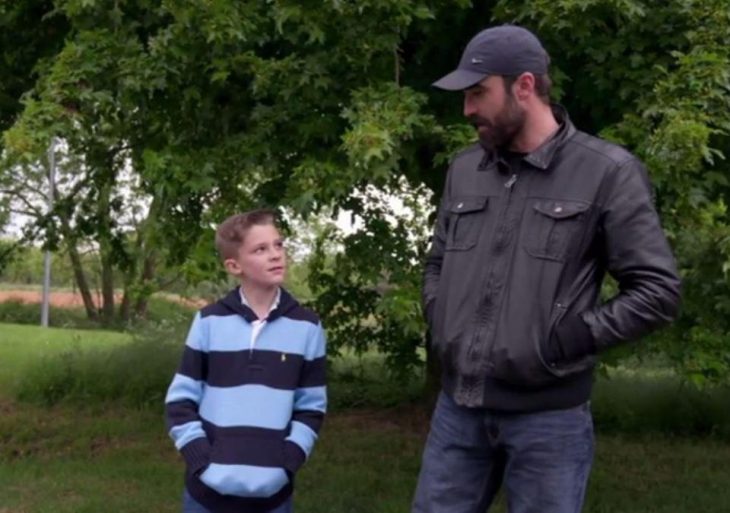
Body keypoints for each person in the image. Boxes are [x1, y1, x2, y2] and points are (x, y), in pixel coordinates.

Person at [413, 24, 681, 513]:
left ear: (525, 86)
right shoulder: (464, 169)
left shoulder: (608, 172)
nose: (467, 109)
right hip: (457, 412)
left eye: (478, 93)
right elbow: (438, 262)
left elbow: (657, 291)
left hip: (549, 421)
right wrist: (440, 316)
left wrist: (564, 341)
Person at [165, 209, 327, 513]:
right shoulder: (209, 322)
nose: (275, 255)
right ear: (234, 265)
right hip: (206, 497)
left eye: (278, 245)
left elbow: (311, 407)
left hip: (273, 499)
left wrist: (288, 463)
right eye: (261, 249)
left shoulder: (307, 327)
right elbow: (180, 402)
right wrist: (201, 461)